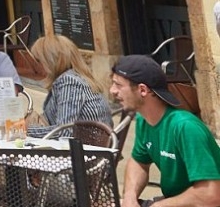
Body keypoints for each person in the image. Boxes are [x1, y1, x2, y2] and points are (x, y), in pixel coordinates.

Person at [111, 54, 220, 207]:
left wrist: (160, 205)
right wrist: (130, 196)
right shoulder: (144, 121)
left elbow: (210, 195)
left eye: (118, 85)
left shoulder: (185, 127)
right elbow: (139, 162)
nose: (112, 91)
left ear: (143, 90)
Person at [26, 35, 112, 137]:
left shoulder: (70, 81)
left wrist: (26, 130)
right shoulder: (78, 77)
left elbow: (64, 131)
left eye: (39, 60)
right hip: (92, 145)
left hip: (87, 149)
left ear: (52, 60)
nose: (37, 65)